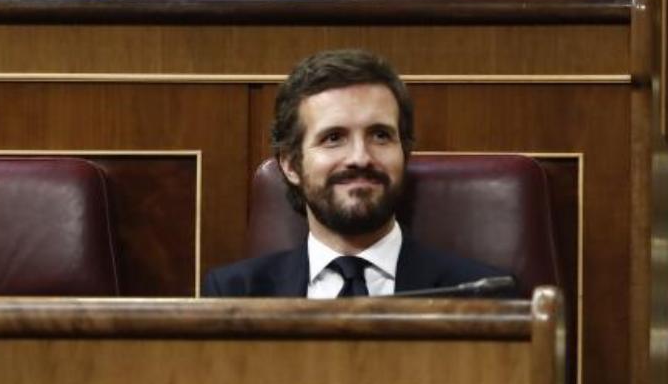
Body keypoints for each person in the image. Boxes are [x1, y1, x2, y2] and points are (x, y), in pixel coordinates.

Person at [203, 48, 509, 298]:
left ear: (404, 152)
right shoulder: (234, 295)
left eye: (380, 135)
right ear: (291, 164)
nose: (360, 158)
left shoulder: (481, 294)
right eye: (333, 138)